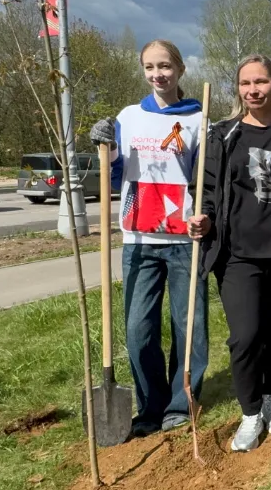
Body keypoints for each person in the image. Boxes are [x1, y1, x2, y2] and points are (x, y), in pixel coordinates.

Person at [187, 54, 271, 452]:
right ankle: (250, 412)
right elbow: (206, 189)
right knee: (245, 337)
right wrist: (204, 219)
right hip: (237, 254)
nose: (253, 90)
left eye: (261, 82)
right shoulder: (224, 135)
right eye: (245, 83)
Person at [89, 39, 209, 438]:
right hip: (139, 238)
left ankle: (181, 403)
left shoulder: (198, 119)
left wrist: (204, 215)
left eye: (165, 66)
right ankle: (150, 405)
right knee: (139, 331)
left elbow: (205, 181)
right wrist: (105, 148)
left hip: (184, 239)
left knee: (189, 328)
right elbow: (114, 175)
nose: (158, 74)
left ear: (180, 69)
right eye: (150, 67)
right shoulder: (128, 118)